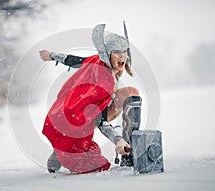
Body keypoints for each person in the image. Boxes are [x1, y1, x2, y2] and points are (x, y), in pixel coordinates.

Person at [39, 23, 142, 173]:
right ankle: (62, 151)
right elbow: (98, 119)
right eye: (116, 52)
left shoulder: (96, 61)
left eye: (124, 51)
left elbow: (74, 60)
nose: (122, 56)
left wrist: (52, 55)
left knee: (131, 92)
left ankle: (129, 153)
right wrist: (118, 140)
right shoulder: (103, 82)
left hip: (73, 114)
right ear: (106, 54)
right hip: (77, 118)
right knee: (86, 158)